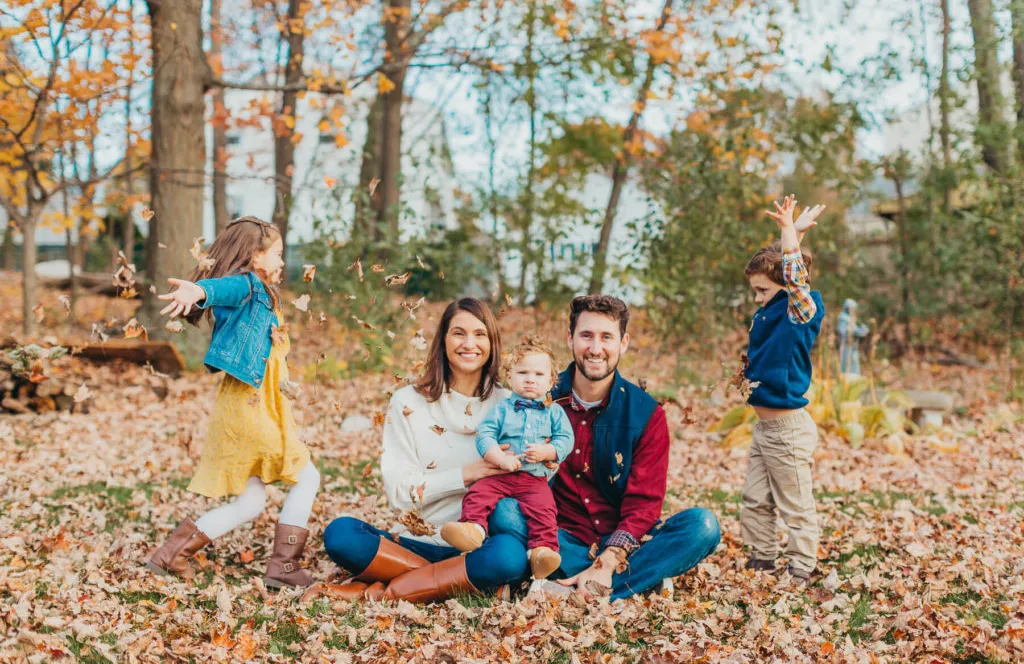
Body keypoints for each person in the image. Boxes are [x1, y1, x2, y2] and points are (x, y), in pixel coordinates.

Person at [489, 295, 722, 601]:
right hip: (558, 534)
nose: (596, 348)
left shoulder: (645, 414)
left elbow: (644, 504)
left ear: (623, 343)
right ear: (570, 338)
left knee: (703, 526)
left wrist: (609, 559)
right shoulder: (538, 396)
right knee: (504, 512)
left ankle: (579, 589)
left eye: (606, 337)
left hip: (625, 542)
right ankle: (626, 583)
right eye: (586, 336)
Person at [303, 298, 528, 603]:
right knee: (341, 534)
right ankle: (452, 580)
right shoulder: (408, 401)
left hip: (477, 545)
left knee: (510, 556)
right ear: (443, 340)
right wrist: (466, 475)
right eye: (458, 333)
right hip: (412, 541)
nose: (469, 343)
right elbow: (398, 492)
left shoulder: (510, 405)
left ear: (493, 343)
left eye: (480, 334)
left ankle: (385, 590)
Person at [146, 216, 320, 589]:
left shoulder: (264, 296)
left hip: (252, 406)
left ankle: (171, 554)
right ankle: (283, 568)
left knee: (250, 503)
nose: (281, 262)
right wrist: (199, 292)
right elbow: (224, 288)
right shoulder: (249, 285)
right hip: (250, 407)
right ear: (255, 256)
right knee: (308, 476)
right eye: (276, 253)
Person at [740, 195, 826, 586]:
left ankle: (802, 567)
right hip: (765, 428)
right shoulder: (773, 308)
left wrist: (790, 231)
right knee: (755, 498)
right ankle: (763, 558)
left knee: (795, 503)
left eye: (762, 290)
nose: (757, 298)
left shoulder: (800, 310)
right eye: (755, 290)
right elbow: (782, 268)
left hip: (789, 428)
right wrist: (796, 233)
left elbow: (792, 277)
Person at [440, 336, 573, 580]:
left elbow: (565, 439)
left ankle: (542, 552)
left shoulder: (555, 412)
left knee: (544, 510)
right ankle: (472, 529)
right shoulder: (502, 409)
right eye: (522, 372)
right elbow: (485, 435)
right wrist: (499, 458)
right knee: (479, 493)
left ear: (552, 380)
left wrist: (548, 451)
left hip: (534, 479)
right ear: (510, 377)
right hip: (501, 474)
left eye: (539, 374)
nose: (530, 379)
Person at [837, 298, 869, 376]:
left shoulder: (851, 318)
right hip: (846, 346)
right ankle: (847, 378)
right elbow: (843, 331)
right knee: (847, 362)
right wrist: (856, 332)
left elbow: (856, 330)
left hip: (853, 346)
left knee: (854, 362)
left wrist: (862, 330)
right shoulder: (843, 318)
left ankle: (854, 378)